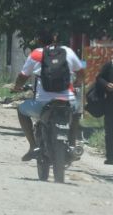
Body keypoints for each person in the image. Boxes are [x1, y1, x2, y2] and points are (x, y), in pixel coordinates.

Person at [10, 28, 85, 162]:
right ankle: (73, 146)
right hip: (67, 100)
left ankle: (33, 146)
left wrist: (17, 87)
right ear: (55, 38)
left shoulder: (36, 54)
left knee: (21, 110)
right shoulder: (67, 52)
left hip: (43, 103)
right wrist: (78, 83)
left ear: (39, 40)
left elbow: (23, 76)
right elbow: (81, 74)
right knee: (75, 112)